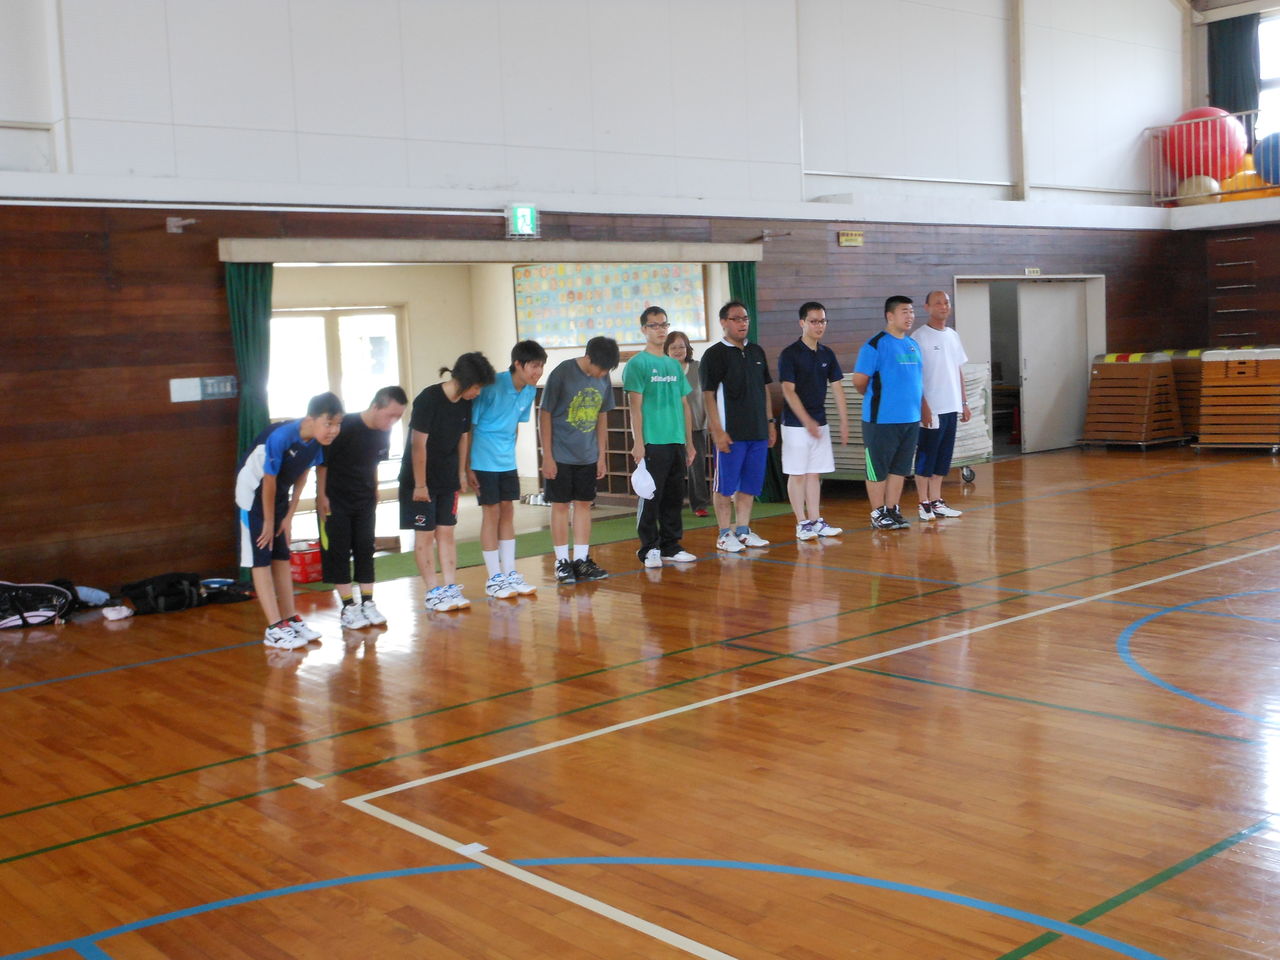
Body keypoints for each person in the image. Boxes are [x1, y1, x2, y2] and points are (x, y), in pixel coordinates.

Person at [235, 391, 344, 649]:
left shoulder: (317, 441)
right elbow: (268, 481)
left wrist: (288, 516)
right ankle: (274, 628)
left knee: (282, 554)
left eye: (338, 424)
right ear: (311, 418)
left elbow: (302, 475)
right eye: (328, 423)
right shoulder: (281, 437)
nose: (333, 430)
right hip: (252, 494)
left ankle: (290, 618)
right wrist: (268, 520)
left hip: (278, 495)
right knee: (262, 555)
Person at [401, 353, 495, 612]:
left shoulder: (464, 403)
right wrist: (420, 485)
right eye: (476, 387)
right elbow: (418, 445)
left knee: (446, 533)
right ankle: (433, 591)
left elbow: (463, 438)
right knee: (425, 535)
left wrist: (462, 472)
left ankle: (450, 587)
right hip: (419, 480)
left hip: (446, 477)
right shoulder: (428, 399)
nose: (477, 393)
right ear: (465, 381)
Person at [317, 386, 407, 629]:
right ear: (375, 406)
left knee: (365, 548)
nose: (393, 421)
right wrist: (321, 496)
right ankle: (348, 606)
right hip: (336, 500)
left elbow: (374, 462)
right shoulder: (344, 426)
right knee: (339, 550)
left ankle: (368, 602)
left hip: (364, 498)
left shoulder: (383, 432)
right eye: (390, 415)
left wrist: (375, 488)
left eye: (398, 417)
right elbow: (323, 465)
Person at [467, 340, 547, 598]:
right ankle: (494, 578)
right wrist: (467, 465)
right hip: (483, 460)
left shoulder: (529, 391)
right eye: (534, 366)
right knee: (491, 513)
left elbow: (515, 425)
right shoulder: (492, 386)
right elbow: (470, 427)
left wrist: (510, 457)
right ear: (518, 364)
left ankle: (510, 572)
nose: (538, 372)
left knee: (508, 511)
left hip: (506, 462)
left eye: (541, 366)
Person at [539, 336, 620, 584]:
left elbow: (602, 415)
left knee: (584, 505)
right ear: (588, 358)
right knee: (561, 506)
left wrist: (601, 455)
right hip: (561, 454)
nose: (602, 374)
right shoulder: (562, 373)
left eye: (607, 370)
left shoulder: (603, 376)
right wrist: (547, 455)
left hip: (588, 454)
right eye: (601, 369)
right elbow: (545, 413)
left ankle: (582, 560)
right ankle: (562, 561)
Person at [622, 306, 698, 568]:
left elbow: (685, 405)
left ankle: (671, 545)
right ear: (644, 329)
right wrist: (638, 442)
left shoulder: (673, 365)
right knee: (650, 497)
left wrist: (689, 443)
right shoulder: (637, 364)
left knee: (674, 498)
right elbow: (634, 407)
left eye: (664, 324)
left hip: (676, 440)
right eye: (654, 325)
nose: (660, 330)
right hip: (652, 441)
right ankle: (648, 548)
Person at [700, 300, 776, 553]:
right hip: (730, 434)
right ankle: (724, 534)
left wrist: (770, 423)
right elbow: (708, 395)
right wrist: (717, 430)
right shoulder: (714, 354)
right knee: (725, 486)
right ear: (724, 322)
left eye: (745, 318)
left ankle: (743, 530)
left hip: (758, 431)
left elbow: (765, 389)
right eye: (736, 319)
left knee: (750, 485)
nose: (742, 323)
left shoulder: (756, 351)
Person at [778, 301, 849, 540]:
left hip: (820, 422)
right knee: (797, 474)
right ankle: (802, 523)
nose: (819, 326)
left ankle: (816, 520)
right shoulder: (790, 354)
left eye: (823, 321)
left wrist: (844, 421)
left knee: (814, 474)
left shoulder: (827, 353)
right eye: (814, 321)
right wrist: (805, 420)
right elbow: (788, 391)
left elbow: (837, 388)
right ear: (802, 323)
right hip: (795, 425)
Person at [852, 296, 923, 531]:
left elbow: (917, 382)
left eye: (911, 311)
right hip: (881, 420)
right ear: (889, 316)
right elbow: (859, 381)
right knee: (878, 469)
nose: (910, 316)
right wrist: (878, 398)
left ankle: (892, 509)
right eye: (904, 312)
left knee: (900, 468)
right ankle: (877, 512)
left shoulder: (913, 345)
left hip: (910, 419)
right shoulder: (875, 345)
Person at [912, 290, 970, 520]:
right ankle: (923, 502)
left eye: (946, 302)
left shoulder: (953, 335)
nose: (943, 306)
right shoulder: (919, 337)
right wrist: (923, 405)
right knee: (927, 454)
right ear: (927, 307)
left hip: (951, 406)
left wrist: (964, 402)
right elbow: (915, 376)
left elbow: (958, 370)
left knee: (943, 456)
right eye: (937, 303)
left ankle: (936, 500)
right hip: (932, 408)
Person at [664, 330, 710, 517]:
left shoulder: (698, 367)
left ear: (688, 348)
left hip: (697, 425)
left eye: (681, 347)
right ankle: (669, 504)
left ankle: (699, 504)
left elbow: (707, 394)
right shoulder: (662, 369)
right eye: (673, 347)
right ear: (666, 349)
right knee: (670, 467)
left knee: (696, 467)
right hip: (669, 427)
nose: (678, 351)